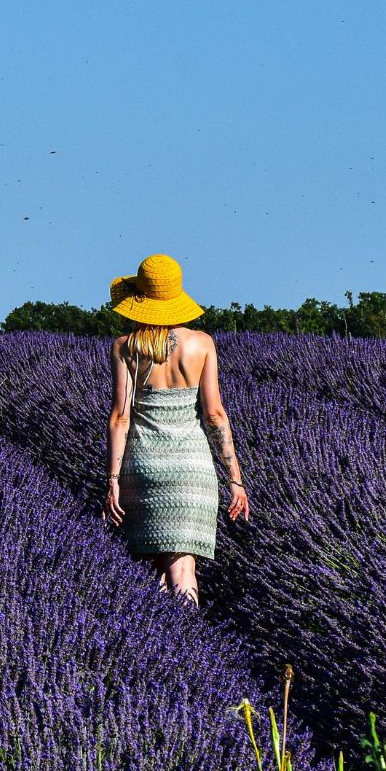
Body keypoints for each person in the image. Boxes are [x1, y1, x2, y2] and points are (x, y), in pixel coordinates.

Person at [102, 254, 249, 605]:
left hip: (144, 466)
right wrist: (235, 479)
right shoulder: (202, 343)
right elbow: (215, 414)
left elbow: (120, 417)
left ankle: (159, 646)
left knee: (154, 569)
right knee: (183, 569)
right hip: (192, 469)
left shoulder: (125, 347)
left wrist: (112, 480)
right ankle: (188, 648)